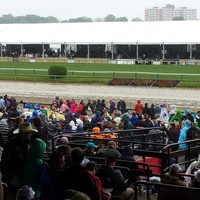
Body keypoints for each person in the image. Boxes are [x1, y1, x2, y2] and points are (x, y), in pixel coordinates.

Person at [1, 122, 37, 199]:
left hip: (19, 178)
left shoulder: (24, 144)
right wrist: (10, 179)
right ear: (24, 134)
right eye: (29, 133)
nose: (31, 135)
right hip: (13, 180)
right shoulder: (12, 145)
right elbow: (4, 163)